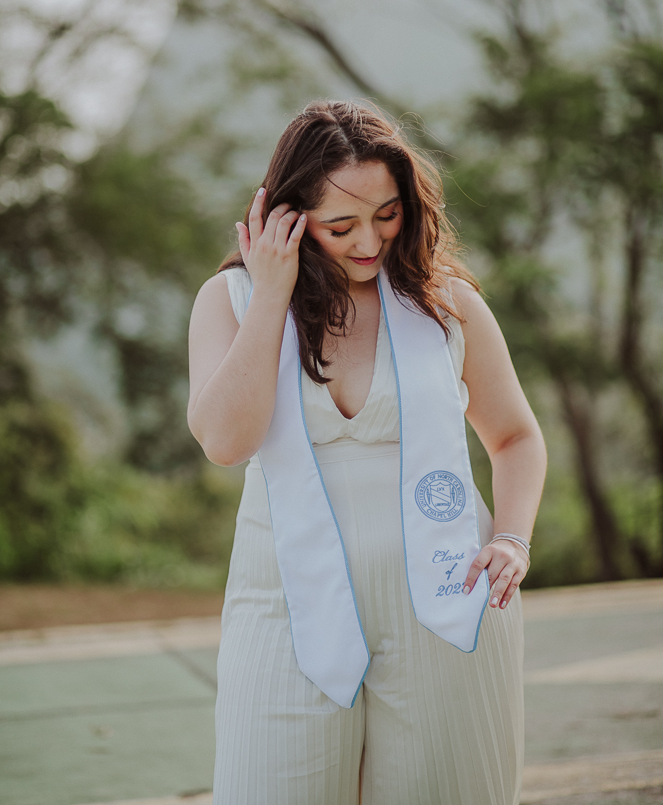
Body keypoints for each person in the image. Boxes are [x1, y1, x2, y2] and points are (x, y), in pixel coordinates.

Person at [187, 100, 547, 805]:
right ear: (287, 218)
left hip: (446, 601)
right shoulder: (228, 301)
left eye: (386, 215)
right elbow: (226, 443)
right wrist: (270, 297)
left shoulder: (446, 302)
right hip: (284, 603)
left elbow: (514, 437)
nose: (368, 241)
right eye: (339, 225)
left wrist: (511, 538)